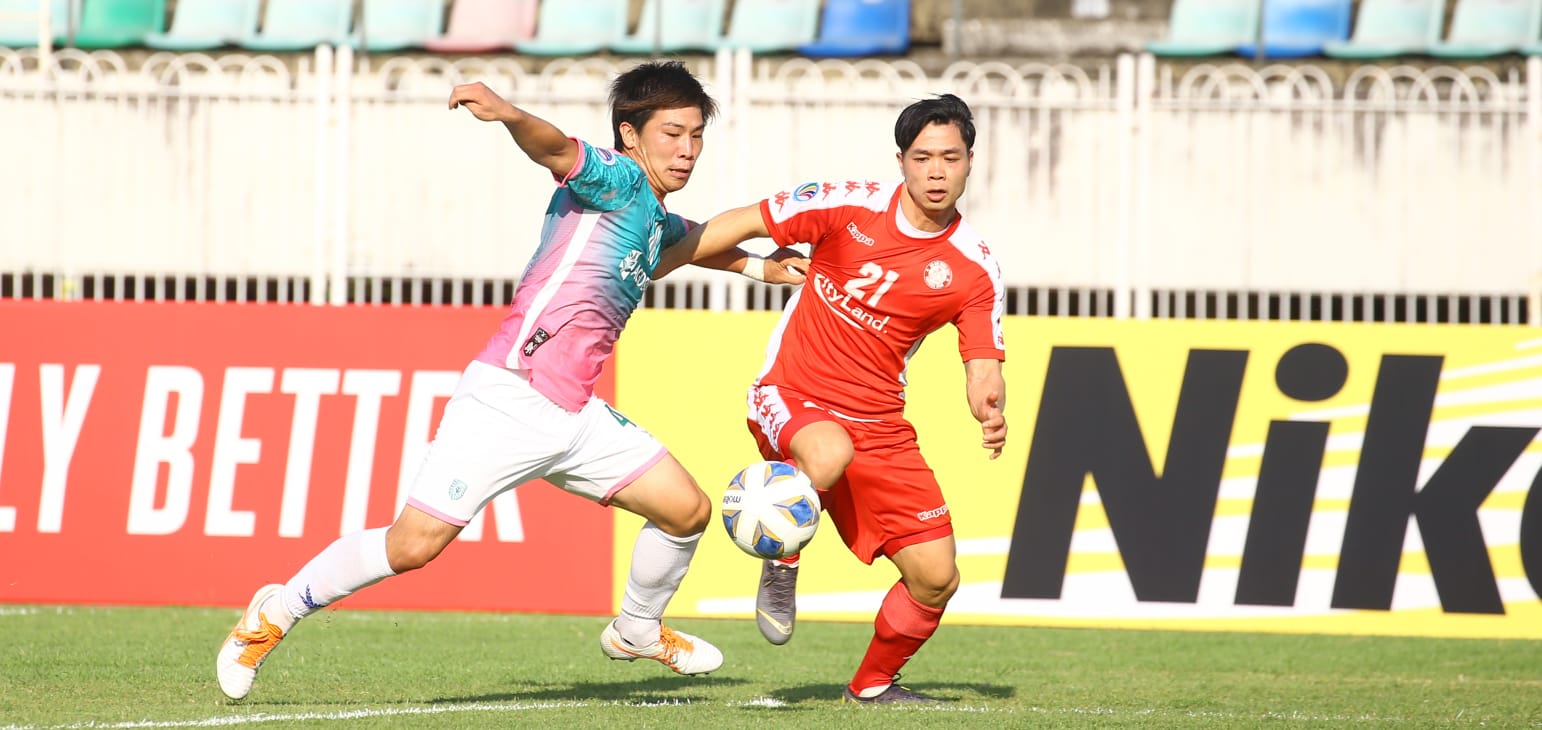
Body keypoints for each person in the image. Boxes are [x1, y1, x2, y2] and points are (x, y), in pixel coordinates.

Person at [215, 61, 806, 701]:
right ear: (630, 136)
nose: (687, 150)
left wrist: (766, 269)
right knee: (412, 547)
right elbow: (555, 148)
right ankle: (273, 613)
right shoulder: (617, 179)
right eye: (672, 134)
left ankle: (637, 628)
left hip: (575, 415)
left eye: (695, 136)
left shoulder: (652, 213)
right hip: (509, 396)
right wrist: (511, 116)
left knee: (686, 511)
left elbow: (693, 242)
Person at [664, 94, 1007, 704]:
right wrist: (657, 263)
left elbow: (982, 360)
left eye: (949, 158)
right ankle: (783, 559)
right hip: (792, 393)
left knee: (936, 577)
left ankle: (873, 686)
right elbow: (739, 223)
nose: (935, 172)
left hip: (881, 423)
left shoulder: (974, 267)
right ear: (900, 160)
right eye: (922, 157)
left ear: (970, 163)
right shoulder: (845, 204)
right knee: (826, 452)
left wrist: (988, 403)